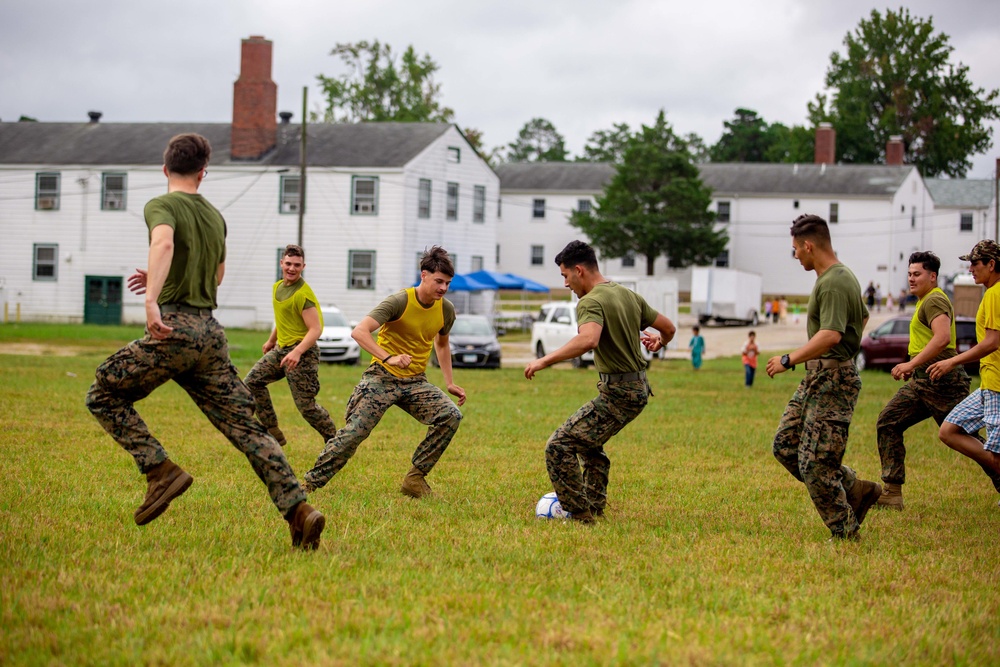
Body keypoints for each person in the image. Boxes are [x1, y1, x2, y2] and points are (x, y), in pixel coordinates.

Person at [85, 134, 324, 550]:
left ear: (165, 170)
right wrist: (167, 274)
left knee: (103, 393)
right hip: (211, 336)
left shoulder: (161, 205)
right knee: (249, 429)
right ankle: (300, 511)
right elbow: (215, 275)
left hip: (174, 328)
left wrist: (153, 300)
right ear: (203, 172)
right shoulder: (216, 216)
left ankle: (160, 471)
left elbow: (164, 241)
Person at [524, 240, 676, 523]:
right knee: (589, 445)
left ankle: (580, 515)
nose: (566, 283)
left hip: (619, 393)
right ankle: (593, 506)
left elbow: (588, 339)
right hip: (637, 387)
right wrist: (660, 340)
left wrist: (544, 360)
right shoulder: (627, 295)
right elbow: (668, 328)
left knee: (559, 445)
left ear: (579, 270)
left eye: (565, 276)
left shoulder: (590, 301)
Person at [302, 246, 465, 498]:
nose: (443, 288)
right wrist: (389, 357)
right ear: (423, 275)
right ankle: (308, 484)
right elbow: (359, 331)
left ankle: (414, 480)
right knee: (354, 433)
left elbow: (441, 344)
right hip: (381, 377)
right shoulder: (399, 301)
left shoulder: (445, 309)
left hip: (415, 382)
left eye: (447, 283)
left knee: (450, 416)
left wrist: (450, 382)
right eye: (439, 281)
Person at [766, 214, 881, 541]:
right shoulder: (838, 277)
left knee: (817, 463)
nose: (795, 256)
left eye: (795, 250)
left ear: (808, 245)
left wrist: (789, 359)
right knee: (785, 445)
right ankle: (856, 488)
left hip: (834, 380)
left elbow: (830, 334)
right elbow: (862, 316)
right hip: (817, 378)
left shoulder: (833, 280)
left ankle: (845, 533)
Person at [876, 251, 1000, 509]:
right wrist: (915, 366)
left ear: (932, 277)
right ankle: (891, 492)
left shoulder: (934, 300)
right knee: (888, 422)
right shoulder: (925, 300)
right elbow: (929, 340)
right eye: (909, 274)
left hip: (942, 382)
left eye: (917, 274)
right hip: (924, 380)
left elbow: (942, 338)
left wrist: (912, 363)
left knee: (965, 437)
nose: (911, 279)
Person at [244, 244, 337, 447]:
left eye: (297, 265)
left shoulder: (303, 295)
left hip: (303, 353)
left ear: (303, 266)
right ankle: (272, 431)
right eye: (288, 264)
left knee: (306, 407)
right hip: (282, 351)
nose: (292, 268)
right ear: (281, 263)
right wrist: (271, 340)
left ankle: (335, 441)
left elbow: (315, 329)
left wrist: (297, 352)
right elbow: (283, 318)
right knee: (251, 383)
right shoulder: (277, 288)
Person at [930, 240, 1000, 489]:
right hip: (988, 385)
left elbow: (992, 342)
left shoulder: (994, 293)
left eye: (974, 263)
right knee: (948, 430)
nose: (970, 268)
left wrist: (952, 361)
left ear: (991, 265)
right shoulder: (992, 292)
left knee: (996, 456)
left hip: (996, 387)